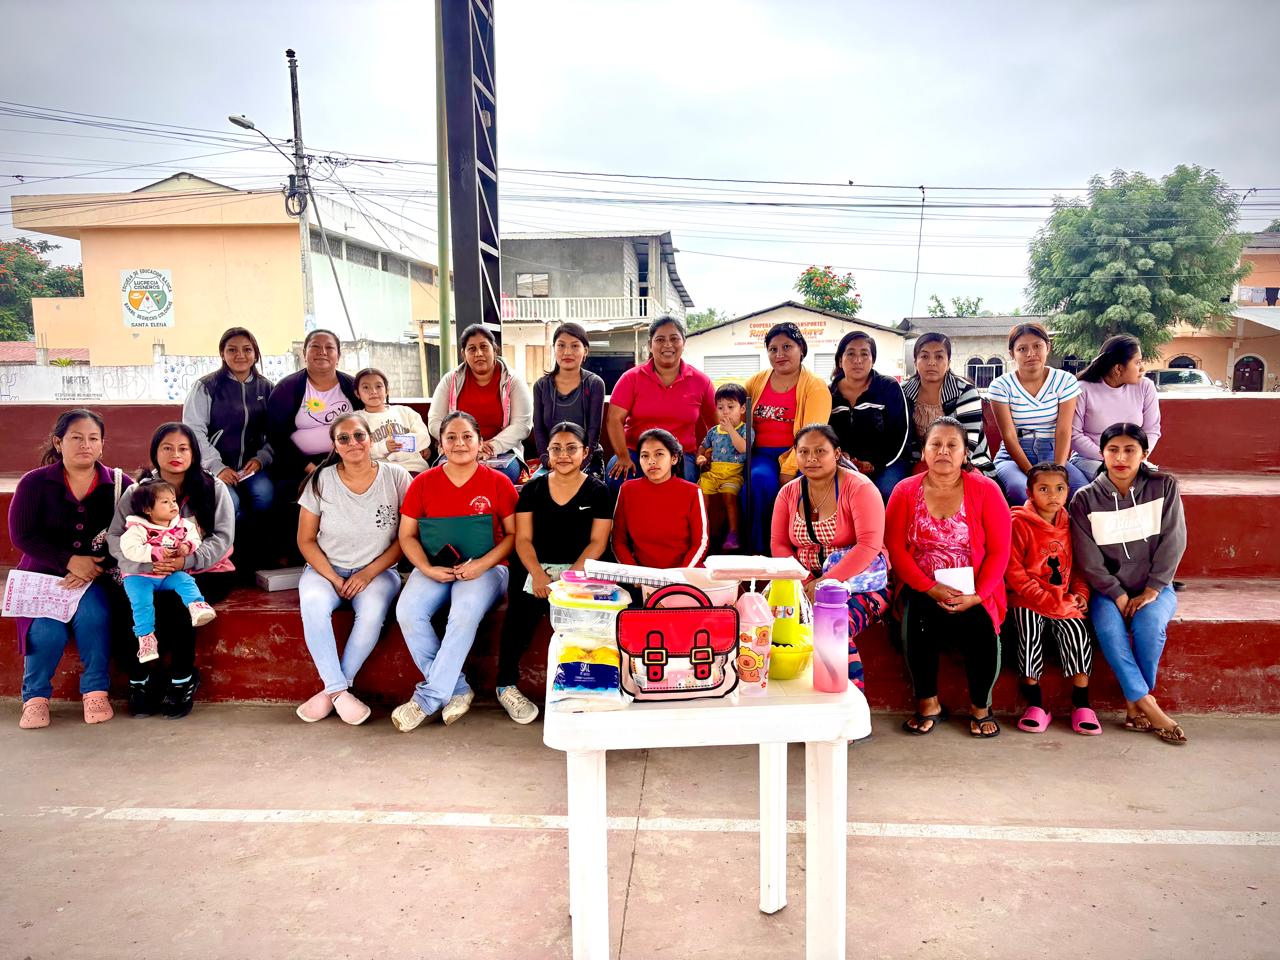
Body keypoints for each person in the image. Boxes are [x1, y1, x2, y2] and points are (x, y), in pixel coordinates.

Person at [885, 416, 1011, 738]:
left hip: (974, 587)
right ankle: (928, 704)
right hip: (922, 585)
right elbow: (895, 548)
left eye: (952, 445)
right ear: (924, 451)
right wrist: (929, 587)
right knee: (917, 622)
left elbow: (1000, 550)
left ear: (965, 453)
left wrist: (978, 595)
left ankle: (981, 707)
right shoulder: (904, 491)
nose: (943, 451)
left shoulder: (986, 490)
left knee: (982, 628)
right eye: (936, 444)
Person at [393, 411, 518, 731]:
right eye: (451, 437)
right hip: (435, 567)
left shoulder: (498, 482)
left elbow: (513, 536)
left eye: (467, 437)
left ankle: (427, 699)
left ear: (480, 442)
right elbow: (407, 535)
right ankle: (458, 688)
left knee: (463, 612)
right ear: (440, 443)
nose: (459, 443)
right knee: (408, 611)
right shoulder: (423, 483)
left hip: (488, 568)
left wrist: (482, 565)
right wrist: (425, 568)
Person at [11, 410, 132, 729]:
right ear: (58, 442)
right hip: (43, 578)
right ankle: (35, 698)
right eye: (76, 438)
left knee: (95, 617)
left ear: (102, 445)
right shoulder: (34, 483)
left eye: (93, 438)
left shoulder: (120, 484)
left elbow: (135, 531)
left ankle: (95, 692)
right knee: (45, 632)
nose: (85, 445)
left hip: (94, 578)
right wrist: (68, 560)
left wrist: (93, 566)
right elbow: (22, 535)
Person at [108, 422, 236, 719]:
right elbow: (116, 536)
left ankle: (182, 679)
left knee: (177, 605)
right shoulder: (138, 492)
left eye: (183, 448)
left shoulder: (213, 488)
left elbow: (223, 537)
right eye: (167, 448)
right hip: (147, 570)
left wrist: (185, 561)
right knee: (129, 604)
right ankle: (140, 680)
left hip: (206, 570)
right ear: (155, 452)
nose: (175, 455)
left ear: (194, 453)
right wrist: (146, 563)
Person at [1070, 423, 1187, 745]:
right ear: (1102, 453)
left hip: (1155, 586)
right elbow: (1088, 559)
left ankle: (1135, 704)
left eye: (1129, 450)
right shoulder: (1085, 499)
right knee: (1110, 632)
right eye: (1113, 450)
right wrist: (1118, 595)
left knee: (1150, 627)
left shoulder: (1164, 486)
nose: (1120, 458)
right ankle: (1147, 703)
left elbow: (1174, 540)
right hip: (1107, 590)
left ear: (1144, 454)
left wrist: (1153, 589)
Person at [295, 413, 411, 726]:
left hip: (378, 571)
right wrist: (333, 577)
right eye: (343, 438)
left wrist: (368, 573)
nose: (353, 443)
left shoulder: (396, 477)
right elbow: (305, 540)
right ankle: (339, 691)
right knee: (313, 605)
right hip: (325, 569)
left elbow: (406, 537)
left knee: (372, 613)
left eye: (359, 435)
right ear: (335, 446)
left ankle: (332, 690)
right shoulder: (321, 480)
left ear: (370, 439)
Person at [499, 421, 613, 723]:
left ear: (585, 453)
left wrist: (570, 580)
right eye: (556, 449)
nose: (564, 455)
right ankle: (505, 685)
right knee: (517, 625)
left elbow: (598, 542)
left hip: (579, 575)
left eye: (571, 448)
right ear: (547, 453)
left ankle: (584, 690)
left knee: (587, 635)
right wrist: (537, 574)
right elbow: (523, 539)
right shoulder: (533, 489)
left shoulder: (598, 491)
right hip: (537, 572)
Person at [770, 424, 889, 686]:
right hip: (803, 584)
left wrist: (824, 583)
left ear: (836, 454)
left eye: (820, 451)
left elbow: (869, 545)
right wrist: (805, 583)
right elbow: (779, 544)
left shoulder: (859, 488)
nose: (811, 458)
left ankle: (849, 699)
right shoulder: (788, 493)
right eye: (803, 452)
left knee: (832, 626)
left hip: (859, 584)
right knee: (772, 625)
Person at [1005, 462, 1097, 736]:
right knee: (1028, 634)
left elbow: (1079, 566)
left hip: (1063, 599)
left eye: (1059, 489)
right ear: (1030, 492)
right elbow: (1014, 572)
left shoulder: (1072, 523)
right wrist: (1043, 598)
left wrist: (1080, 593)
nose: (1053, 495)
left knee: (1077, 633)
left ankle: (1081, 704)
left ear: (1068, 491)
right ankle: (1035, 704)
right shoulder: (1018, 523)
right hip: (1027, 598)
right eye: (1043, 489)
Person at [265, 329, 361, 548]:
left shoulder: (352, 386)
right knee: (293, 491)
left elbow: (372, 418)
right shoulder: (287, 388)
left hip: (346, 460)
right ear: (304, 353)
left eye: (329, 348)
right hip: (297, 463)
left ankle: (347, 549)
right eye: (315, 346)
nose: (322, 352)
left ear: (338, 355)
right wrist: (309, 467)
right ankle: (296, 552)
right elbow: (276, 436)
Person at [743, 322, 832, 554]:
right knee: (758, 481)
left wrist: (789, 468)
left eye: (787, 347)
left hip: (801, 455)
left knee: (796, 490)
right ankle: (758, 553)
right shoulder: (755, 382)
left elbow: (812, 437)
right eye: (773, 349)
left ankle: (792, 553)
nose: (779, 354)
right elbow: (735, 414)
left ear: (801, 348)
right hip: (762, 454)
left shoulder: (816, 387)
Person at [605, 315, 716, 488]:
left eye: (674, 339)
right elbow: (614, 419)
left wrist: (705, 453)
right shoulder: (630, 378)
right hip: (636, 452)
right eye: (660, 339)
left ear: (684, 343)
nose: (668, 345)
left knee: (685, 485)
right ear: (650, 345)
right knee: (617, 477)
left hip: (681, 455)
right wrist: (622, 456)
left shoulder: (701, 381)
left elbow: (716, 426)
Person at [988, 322, 1089, 506]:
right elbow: (1009, 436)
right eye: (1022, 349)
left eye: (1037, 346)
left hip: (1053, 454)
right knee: (1024, 492)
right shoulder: (1001, 386)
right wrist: (1033, 475)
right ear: (1012, 354)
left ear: (1047, 347)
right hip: (1013, 457)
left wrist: (1058, 472)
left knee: (1082, 494)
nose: (1031, 354)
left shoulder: (1064, 380)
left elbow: (1063, 430)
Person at [118, 479, 217, 664]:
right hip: (140, 577)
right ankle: (146, 638)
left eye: (173, 500)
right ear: (148, 509)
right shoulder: (138, 528)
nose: (173, 505)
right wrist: (156, 552)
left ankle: (197, 606)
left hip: (167, 575)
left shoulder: (181, 524)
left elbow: (195, 538)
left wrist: (187, 546)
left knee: (185, 580)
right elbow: (129, 549)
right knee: (142, 602)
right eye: (165, 502)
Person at [182, 326, 275, 520]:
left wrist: (261, 459)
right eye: (232, 350)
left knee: (265, 496)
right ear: (222, 354)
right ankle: (229, 539)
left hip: (252, 468)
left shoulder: (266, 387)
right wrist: (217, 467)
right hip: (213, 467)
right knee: (230, 502)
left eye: (247, 349)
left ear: (255, 354)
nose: (240, 355)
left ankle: (256, 537)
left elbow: (276, 430)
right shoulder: (206, 387)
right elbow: (193, 431)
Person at [428, 323, 532, 483]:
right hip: (458, 449)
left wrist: (492, 446)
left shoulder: (513, 380)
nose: (479, 353)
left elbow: (522, 425)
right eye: (472, 349)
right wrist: (463, 444)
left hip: (501, 451)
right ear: (463, 354)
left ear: (495, 350)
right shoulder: (450, 380)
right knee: (444, 478)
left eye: (484, 347)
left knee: (496, 478)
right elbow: (435, 422)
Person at [827, 330, 909, 502]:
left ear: (873, 360)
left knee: (885, 491)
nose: (858, 360)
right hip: (842, 463)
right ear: (840, 360)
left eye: (864, 354)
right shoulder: (829, 393)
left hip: (887, 462)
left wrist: (875, 464)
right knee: (831, 493)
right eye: (851, 354)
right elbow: (824, 435)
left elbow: (900, 433)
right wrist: (841, 457)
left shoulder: (888, 387)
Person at [612, 428, 708, 569]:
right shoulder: (627, 490)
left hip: (684, 575)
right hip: (640, 576)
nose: (651, 461)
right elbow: (618, 541)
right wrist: (635, 573)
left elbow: (700, 542)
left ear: (674, 458)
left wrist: (680, 574)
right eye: (645, 456)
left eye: (659, 454)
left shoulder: (692, 492)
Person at [900, 333, 994, 476]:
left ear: (948, 362)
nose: (931, 362)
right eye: (924, 356)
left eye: (939, 357)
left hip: (966, 460)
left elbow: (969, 443)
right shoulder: (903, 392)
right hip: (918, 461)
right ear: (915, 362)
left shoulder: (965, 391)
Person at [1071, 334, 1161, 478]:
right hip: (1091, 459)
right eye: (1137, 363)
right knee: (1115, 477)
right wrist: (1111, 457)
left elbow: (1152, 429)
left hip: (1132, 460)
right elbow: (1074, 435)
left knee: (1157, 479)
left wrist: (1136, 456)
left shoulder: (1145, 387)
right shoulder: (1082, 389)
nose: (1142, 368)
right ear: (1118, 368)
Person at [531, 322, 606, 477]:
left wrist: (579, 463)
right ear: (554, 348)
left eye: (575, 346)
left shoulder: (594, 384)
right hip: (553, 460)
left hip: (586, 459)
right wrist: (547, 460)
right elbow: (538, 429)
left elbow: (594, 431)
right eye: (561, 345)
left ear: (585, 351)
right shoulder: (541, 386)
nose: (567, 352)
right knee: (535, 488)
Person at [696, 383, 749, 550]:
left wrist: (731, 430)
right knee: (700, 495)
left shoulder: (745, 429)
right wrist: (700, 456)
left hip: (732, 475)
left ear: (742, 409)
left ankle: (733, 533)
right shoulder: (713, 431)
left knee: (728, 496)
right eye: (720, 407)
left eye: (730, 407)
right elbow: (703, 446)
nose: (725, 412)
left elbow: (743, 448)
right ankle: (703, 530)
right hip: (713, 473)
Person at [353, 367, 431, 474]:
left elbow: (424, 438)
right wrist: (384, 447)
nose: (373, 391)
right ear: (357, 393)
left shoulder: (405, 411)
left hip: (414, 468)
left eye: (378, 386)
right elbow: (356, 448)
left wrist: (396, 451)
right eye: (366, 387)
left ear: (387, 390)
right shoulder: (355, 419)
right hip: (381, 472)